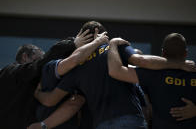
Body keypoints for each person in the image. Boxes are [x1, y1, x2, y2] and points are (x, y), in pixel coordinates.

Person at [32, 29, 195, 129]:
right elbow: (141, 61)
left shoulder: (77, 67)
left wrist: (37, 94)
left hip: (103, 124)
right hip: (131, 120)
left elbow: (53, 100)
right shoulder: (117, 49)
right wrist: (114, 43)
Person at [0, 25, 100, 128]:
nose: (42, 59)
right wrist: (72, 43)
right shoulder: (10, 73)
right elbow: (40, 65)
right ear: (25, 56)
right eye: (38, 57)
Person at [28, 21, 108, 129]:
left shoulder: (78, 70)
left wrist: (38, 94)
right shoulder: (113, 64)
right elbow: (74, 60)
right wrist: (98, 42)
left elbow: (51, 100)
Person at [107, 33, 196, 129]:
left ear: (162, 53)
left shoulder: (153, 73)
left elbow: (116, 71)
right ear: (186, 53)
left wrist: (113, 44)